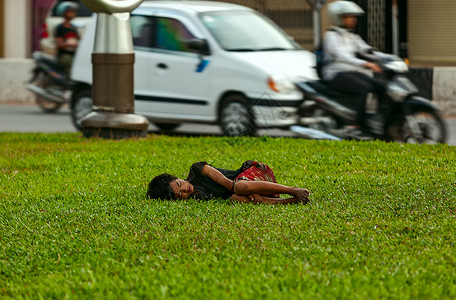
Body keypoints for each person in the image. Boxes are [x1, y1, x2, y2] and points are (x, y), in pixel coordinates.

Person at [322, 0, 388, 134]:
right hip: (335, 74)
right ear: (339, 17)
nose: (353, 20)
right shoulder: (331, 36)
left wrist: (387, 58)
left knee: (381, 87)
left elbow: (367, 50)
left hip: (350, 72)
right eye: (349, 17)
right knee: (364, 88)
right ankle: (357, 125)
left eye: (354, 17)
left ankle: (377, 120)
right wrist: (365, 63)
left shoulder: (352, 36)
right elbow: (341, 56)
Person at [146, 160, 310, 204]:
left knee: (239, 186)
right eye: (180, 195)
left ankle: (292, 190)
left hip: (256, 172)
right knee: (236, 199)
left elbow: (228, 184)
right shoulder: (198, 199)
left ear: (177, 178)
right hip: (255, 190)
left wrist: (248, 190)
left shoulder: (197, 170)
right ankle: (289, 201)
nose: (185, 191)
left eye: (180, 185)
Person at [54, 1, 80, 78]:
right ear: (64, 13)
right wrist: (71, 44)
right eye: (71, 12)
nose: (73, 14)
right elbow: (59, 44)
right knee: (72, 66)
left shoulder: (73, 28)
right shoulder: (61, 28)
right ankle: (68, 86)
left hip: (74, 54)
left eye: (74, 12)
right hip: (64, 55)